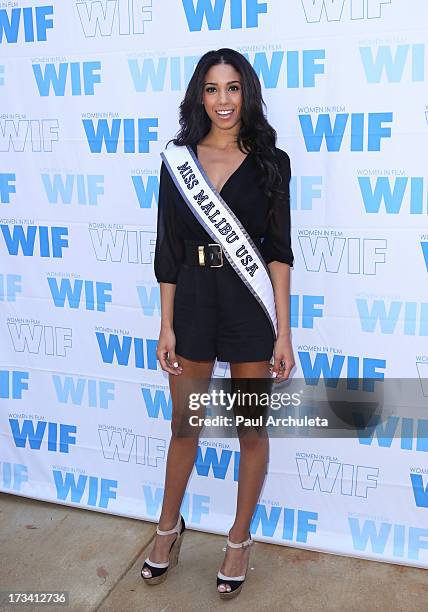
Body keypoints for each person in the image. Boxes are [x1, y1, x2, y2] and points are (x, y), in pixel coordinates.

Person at [141, 47, 295, 600]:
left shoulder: (272, 161)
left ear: (246, 92)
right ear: (198, 95)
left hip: (250, 305)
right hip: (195, 301)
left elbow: (278, 252)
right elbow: (167, 247)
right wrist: (167, 324)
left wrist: (284, 330)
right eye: (212, 88)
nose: (223, 100)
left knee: (251, 430)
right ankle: (167, 529)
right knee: (186, 428)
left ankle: (238, 538)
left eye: (232, 88)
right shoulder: (177, 160)